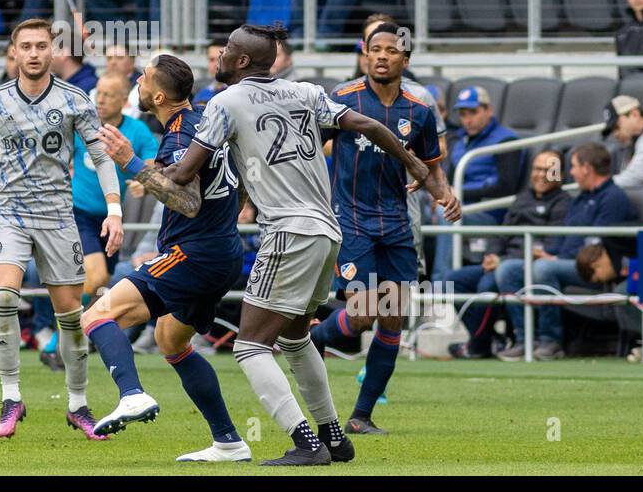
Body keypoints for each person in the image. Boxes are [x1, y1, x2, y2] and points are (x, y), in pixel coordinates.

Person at [163, 24, 446, 464]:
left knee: (250, 345)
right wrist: (415, 164)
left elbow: (183, 175)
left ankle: (305, 442)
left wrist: (133, 165)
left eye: (227, 50)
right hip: (327, 230)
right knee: (295, 338)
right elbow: (367, 124)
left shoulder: (224, 102)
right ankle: (334, 436)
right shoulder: (305, 92)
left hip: (288, 231)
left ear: (241, 62)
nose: (218, 55)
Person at [82, 55, 251, 460]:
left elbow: (188, 202)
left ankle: (132, 394)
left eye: (142, 79)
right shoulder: (202, 121)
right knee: (170, 340)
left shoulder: (179, 136)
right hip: (223, 249)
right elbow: (228, 182)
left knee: (96, 316)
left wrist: (134, 165)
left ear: (158, 95)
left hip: (194, 254)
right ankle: (229, 441)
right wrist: (156, 173)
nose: (137, 83)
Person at [0, 17, 123, 439]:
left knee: (70, 316)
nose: (34, 53)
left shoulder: (76, 100)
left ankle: (78, 405)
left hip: (57, 216)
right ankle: (11, 397)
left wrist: (114, 207)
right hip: (9, 214)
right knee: (3, 298)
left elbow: (102, 157)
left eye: (41, 46)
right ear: (14, 52)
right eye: (26, 46)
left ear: (53, 51)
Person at [309, 24, 460, 433]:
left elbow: (431, 166)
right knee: (363, 314)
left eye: (390, 50)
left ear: (404, 61)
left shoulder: (420, 111)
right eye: (374, 49)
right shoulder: (341, 99)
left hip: (396, 222)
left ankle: (361, 416)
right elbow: (310, 145)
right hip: (351, 219)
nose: (381, 56)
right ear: (364, 55)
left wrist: (444, 194)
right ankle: (317, 338)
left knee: (393, 317)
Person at [496, 143, 637, 360]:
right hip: (564, 261)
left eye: (573, 166)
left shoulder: (612, 198)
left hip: (593, 269)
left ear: (587, 168)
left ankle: (550, 341)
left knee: (543, 269)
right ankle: (525, 339)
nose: (570, 172)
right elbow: (563, 237)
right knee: (508, 269)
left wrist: (555, 259)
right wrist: (549, 253)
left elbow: (597, 248)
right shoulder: (580, 198)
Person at [441, 149, 571, 359]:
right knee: (452, 280)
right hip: (500, 262)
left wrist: (502, 260)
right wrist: (491, 255)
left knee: (487, 286)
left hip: (522, 266)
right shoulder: (522, 198)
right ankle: (489, 339)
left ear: (560, 174)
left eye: (548, 170)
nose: (541, 174)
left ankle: (482, 345)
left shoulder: (563, 203)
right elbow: (502, 234)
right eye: (537, 169)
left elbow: (548, 248)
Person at [71, 72, 157, 306]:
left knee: (101, 282)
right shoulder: (80, 125)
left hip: (112, 218)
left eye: (109, 95)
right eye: (99, 93)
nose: (100, 100)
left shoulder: (137, 130)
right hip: (79, 213)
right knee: (97, 275)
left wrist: (144, 181)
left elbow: (152, 163)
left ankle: (78, 331)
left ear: (124, 101)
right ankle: (62, 333)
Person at [450, 86, 522, 222]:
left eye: (473, 112)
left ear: (489, 110)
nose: (468, 120)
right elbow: (450, 181)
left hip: (488, 211)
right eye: (463, 114)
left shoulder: (506, 140)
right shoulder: (459, 141)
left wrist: (458, 194)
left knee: (447, 214)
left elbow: (505, 187)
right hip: (459, 205)